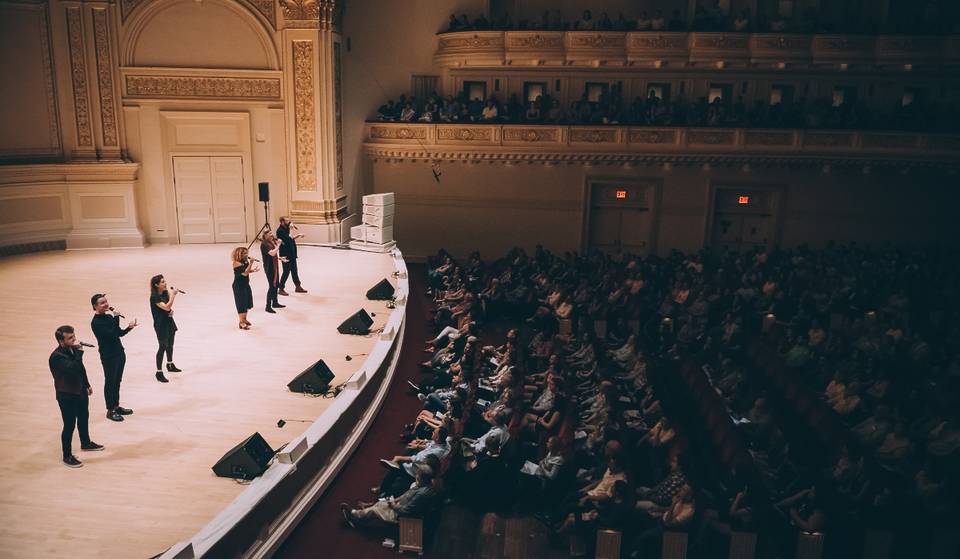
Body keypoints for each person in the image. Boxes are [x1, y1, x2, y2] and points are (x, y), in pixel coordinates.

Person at [49, 325, 104, 467]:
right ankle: (67, 456)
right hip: (66, 395)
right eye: (70, 338)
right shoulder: (56, 357)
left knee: (84, 417)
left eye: (74, 336)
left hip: (79, 391)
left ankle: (85, 443)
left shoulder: (71, 349)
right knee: (69, 425)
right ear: (61, 341)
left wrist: (86, 384)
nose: (74, 339)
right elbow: (73, 369)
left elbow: (80, 369)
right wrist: (79, 353)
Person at [90, 293, 137, 421]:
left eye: (106, 301)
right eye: (102, 303)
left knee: (117, 381)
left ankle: (116, 406)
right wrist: (116, 318)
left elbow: (118, 333)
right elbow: (111, 335)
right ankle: (110, 410)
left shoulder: (109, 317)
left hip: (119, 353)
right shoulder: (96, 323)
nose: (106, 304)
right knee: (110, 382)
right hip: (108, 356)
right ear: (95, 306)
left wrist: (129, 327)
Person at [150, 274, 181, 383]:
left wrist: (170, 313)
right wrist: (174, 295)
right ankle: (159, 372)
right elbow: (166, 306)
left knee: (170, 344)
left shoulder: (164, 293)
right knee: (163, 346)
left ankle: (170, 364)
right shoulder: (154, 297)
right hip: (160, 324)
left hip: (168, 321)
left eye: (164, 281)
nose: (165, 283)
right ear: (156, 284)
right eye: (162, 282)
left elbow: (167, 309)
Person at [276, 216, 307, 296]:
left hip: (292, 252)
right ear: (282, 222)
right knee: (286, 271)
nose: (289, 222)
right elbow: (288, 239)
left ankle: (298, 286)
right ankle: (281, 288)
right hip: (285, 254)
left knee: (294, 270)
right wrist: (291, 229)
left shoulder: (286, 228)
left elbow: (291, 238)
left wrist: (298, 235)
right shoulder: (280, 231)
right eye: (287, 221)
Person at [231, 247, 259, 329]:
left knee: (247, 302)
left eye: (247, 253)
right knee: (241, 303)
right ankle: (241, 322)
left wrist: (253, 270)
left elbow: (246, 270)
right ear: (240, 254)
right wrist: (251, 263)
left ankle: (245, 319)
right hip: (239, 286)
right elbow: (245, 273)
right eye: (245, 253)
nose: (247, 255)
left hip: (245, 284)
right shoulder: (236, 263)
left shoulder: (244, 261)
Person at [260, 229, 286, 313]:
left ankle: (275, 302)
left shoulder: (271, 242)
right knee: (271, 286)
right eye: (270, 234)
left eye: (272, 233)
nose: (272, 235)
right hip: (269, 267)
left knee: (276, 284)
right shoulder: (264, 244)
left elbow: (274, 255)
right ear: (265, 235)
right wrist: (278, 245)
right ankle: (268, 306)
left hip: (275, 266)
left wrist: (280, 258)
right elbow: (272, 253)